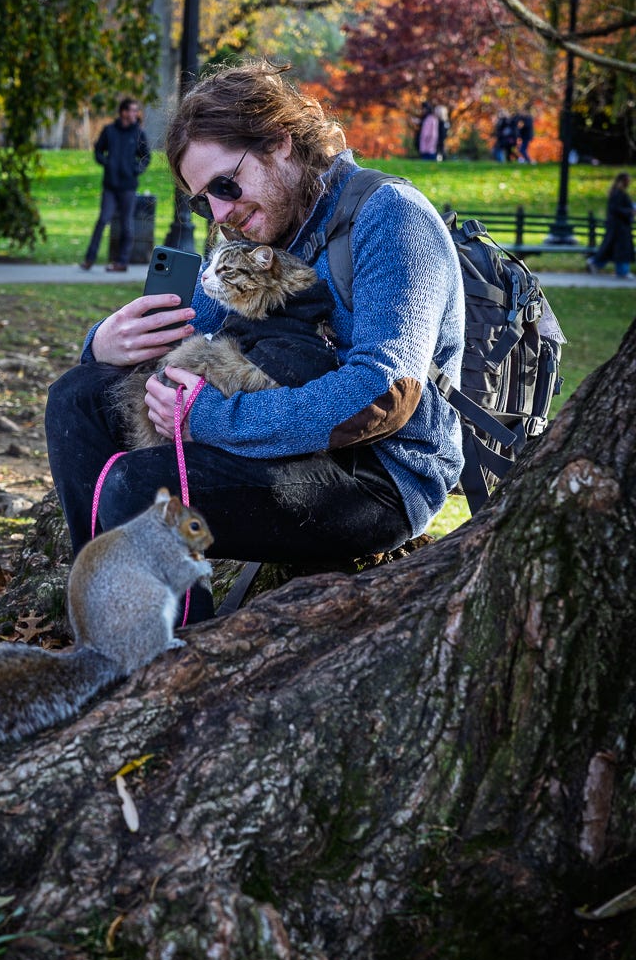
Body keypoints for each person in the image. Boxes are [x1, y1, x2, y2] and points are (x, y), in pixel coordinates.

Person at [45, 60, 465, 623]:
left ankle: (171, 670)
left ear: (280, 144)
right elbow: (185, 322)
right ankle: (110, 627)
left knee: (139, 488)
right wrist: (105, 342)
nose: (221, 214)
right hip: (282, 438)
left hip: (376, 474)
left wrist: (212, 421)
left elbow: (383, 395)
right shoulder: (255, 227)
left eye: (225, 185)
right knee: (76, 397)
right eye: (203, 201)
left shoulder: (389, 216)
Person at [80, 98, 151, 272]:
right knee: (103, 220)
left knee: (127, 224)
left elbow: (146, 157)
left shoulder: (139, 134)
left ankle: (122, 262)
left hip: (128, 186)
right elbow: (98, 151)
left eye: (136, 111)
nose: (135, 114)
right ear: (123, 112)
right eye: (132, 110)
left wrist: (135, 169)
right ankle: (90, 259)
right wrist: (107, 162)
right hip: (110, 186)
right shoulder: (109, 131)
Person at [587, 172, 635, 280]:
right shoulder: (618, 194)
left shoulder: (618, 193)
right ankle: (622, 271)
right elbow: (615, 209)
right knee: (620, 250)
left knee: (611, 249)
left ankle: (596, 263)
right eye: (627, 180)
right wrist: (630, 211)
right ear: (622, 181)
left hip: (619, 227)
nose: (629, 182)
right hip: (619, 227)